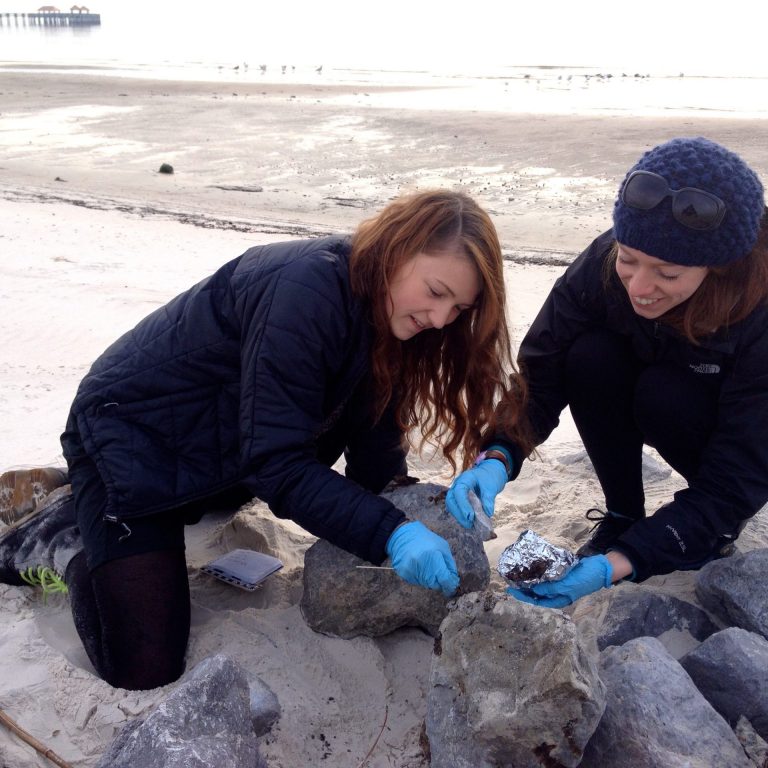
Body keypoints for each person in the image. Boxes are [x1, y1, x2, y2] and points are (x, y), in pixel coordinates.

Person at [0, 189, 530, 689]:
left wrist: (396, 494)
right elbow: (276, 465)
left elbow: (373, 424)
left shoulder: (394, 312)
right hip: (129, 435)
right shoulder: (307, 290)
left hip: (220, 447)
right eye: (436, 292)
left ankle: (80, 500)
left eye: (458, 309)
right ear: (397, 247)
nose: (440, 319)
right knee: (144, 664)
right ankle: (62, 539)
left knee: (271, 478)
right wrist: (391, 533)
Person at [447, 137, 768, 608]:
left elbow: (741, 471)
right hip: (656, 380)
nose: (639, 287)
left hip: (723, 426)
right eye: (628, 260)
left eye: (668, 274)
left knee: (664, 395)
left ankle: (704, 531)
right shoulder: (604, 263)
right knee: (590, 356)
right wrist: (498, 454)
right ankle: (622, 514)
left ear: (719, 270)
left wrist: (620, 563)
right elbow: (542, 372)